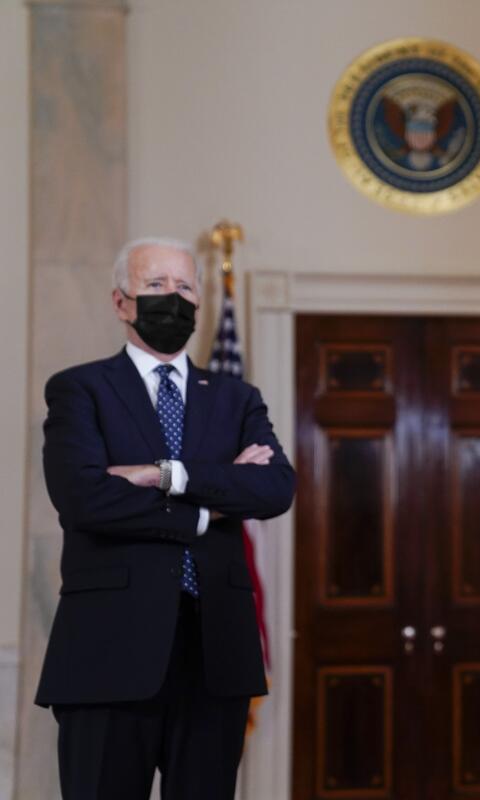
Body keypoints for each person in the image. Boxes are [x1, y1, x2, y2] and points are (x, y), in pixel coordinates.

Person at [35, 237, 296, 799]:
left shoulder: (236, 398)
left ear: (200, 301)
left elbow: (274, 487)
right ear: (121, 301)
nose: (172, 298)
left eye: (184, 286)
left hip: (215, 657)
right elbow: (83, 498)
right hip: (107, 655)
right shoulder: (80, 389)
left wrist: (164, 474)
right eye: (156, 285)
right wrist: (208, 507)